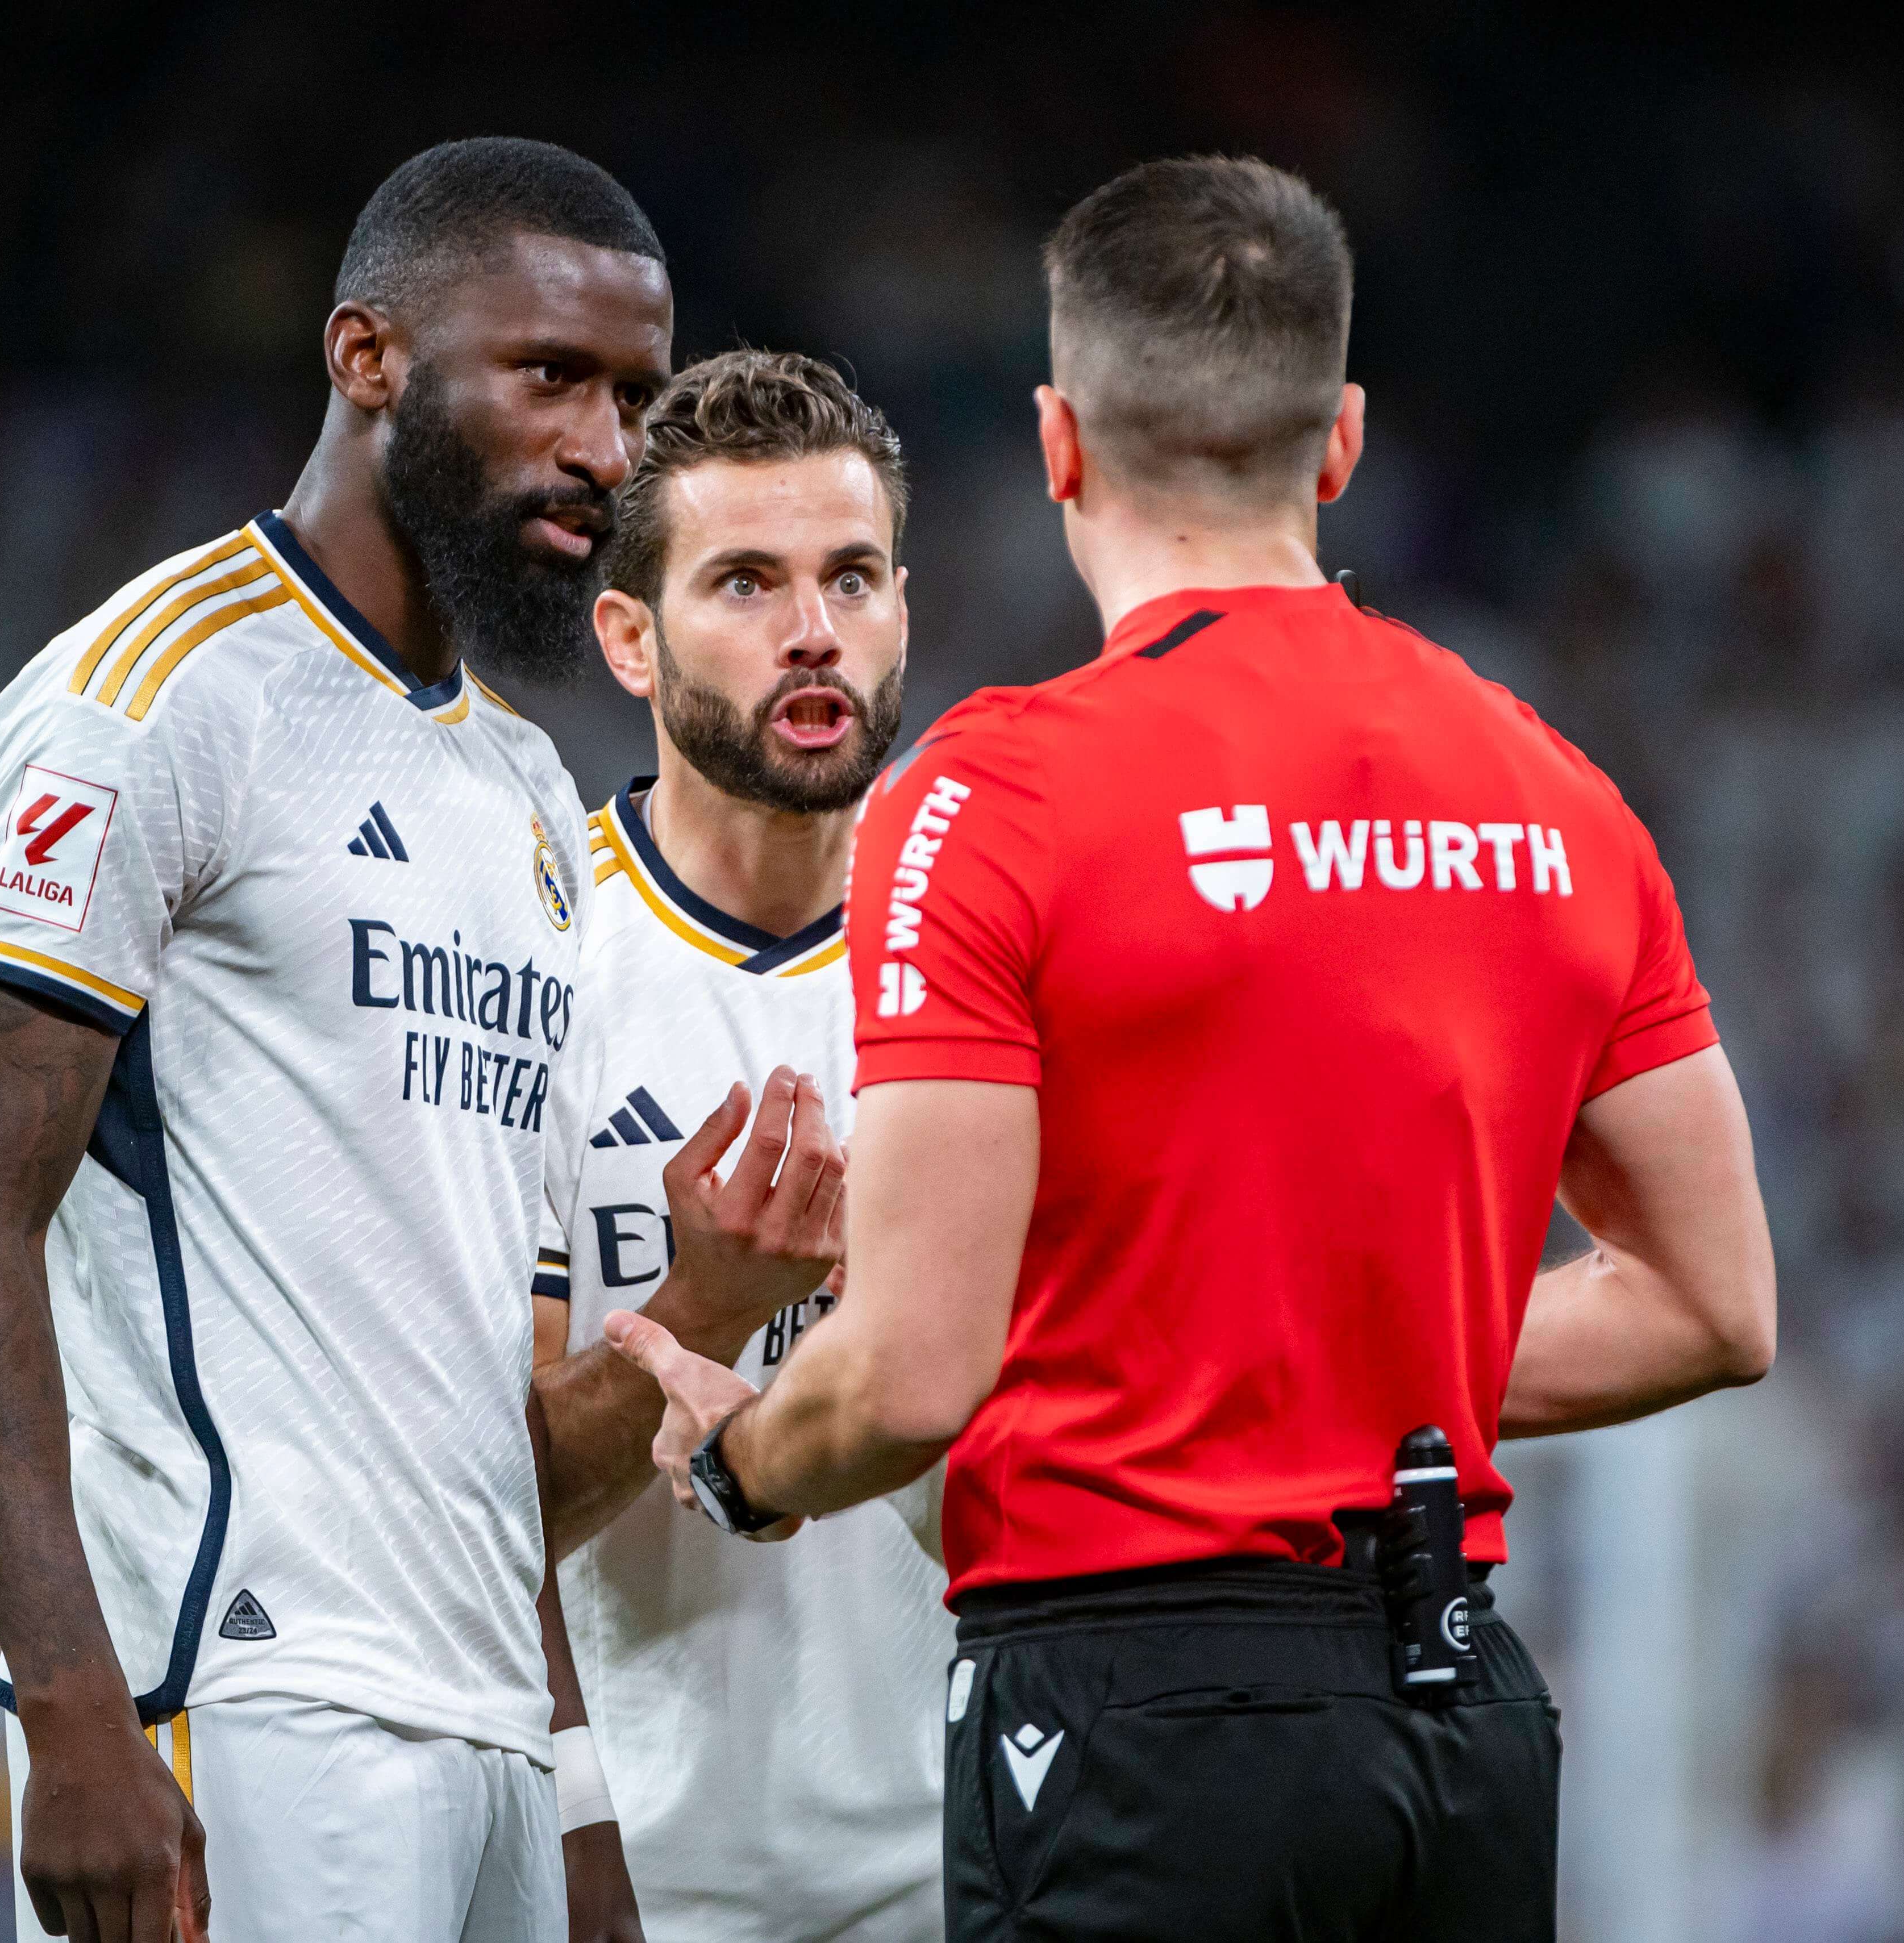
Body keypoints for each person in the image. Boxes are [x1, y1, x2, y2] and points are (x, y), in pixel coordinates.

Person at [613, 156, 1778, 1941]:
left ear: (1057, 440)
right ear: (1341, 441)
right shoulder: (1555, 791)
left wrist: (736, 1458)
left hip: (1134, 1711)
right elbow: (1714, 1306)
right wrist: (1339, 1359)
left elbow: (916, 1370)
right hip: (1461, 1716)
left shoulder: (992, 798)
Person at [0, 137, 838, 1943]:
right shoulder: (153, 693)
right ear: (369, 359)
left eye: (635, 396)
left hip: (479, 1720)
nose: (604, 447)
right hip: (239, 1712)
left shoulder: (521, 792)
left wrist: (564, 1785)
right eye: (549, 376)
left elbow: (490, 1397)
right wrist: (80, 1725)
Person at [531, 350, 952, 1942]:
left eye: (851, 576)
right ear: (629, 638)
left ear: (903, 605)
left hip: (974, 1856)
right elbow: (465, 1496)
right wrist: (698, 1309)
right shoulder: (528, 953)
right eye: (746, 582)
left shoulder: (998, 944)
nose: (812, 630)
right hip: (639, 1877)